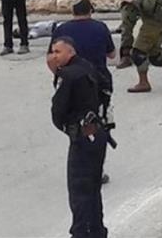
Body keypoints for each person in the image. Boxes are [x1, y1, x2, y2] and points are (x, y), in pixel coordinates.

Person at [51, 0, 116, 184]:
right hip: (99, 85)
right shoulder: (100, 27)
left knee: (75, 125)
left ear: (73, 12)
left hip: (72, 86)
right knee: (100, 125)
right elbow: (112, 54)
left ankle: (80, 166)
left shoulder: (62, 30)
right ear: (90, 11)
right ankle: (97, 170)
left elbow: (51, 58)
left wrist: (60, 76)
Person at [48, 37, 108, 238]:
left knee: (79, 191)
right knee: (92, 189)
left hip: (82, 138)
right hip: (97, 133)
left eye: (58, 52)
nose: (53, 56)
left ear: (70, 52)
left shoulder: (68, 75)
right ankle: (97, 232)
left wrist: (69, 128)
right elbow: (105, 87)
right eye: (52, 52)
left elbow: (58, 111)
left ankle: (82, 233)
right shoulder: (87, 66)